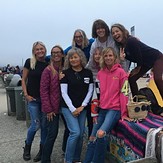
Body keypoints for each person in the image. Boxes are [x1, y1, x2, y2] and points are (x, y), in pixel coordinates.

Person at [84, 47, 131, 163]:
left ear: (115, 57)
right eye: (106, 56)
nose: (108, 58)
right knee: (92, 137)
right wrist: (94, 113)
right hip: (102, 109)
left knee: (101, 134)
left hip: (114, 109)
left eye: (110, 55)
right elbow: (97, 95)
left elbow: (125, 93)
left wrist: (124, 113)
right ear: (103, 58)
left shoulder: (121, 73)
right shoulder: (100, 73)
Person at [62, 29, 94, 155]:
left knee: (80, 135)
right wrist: (72, 108)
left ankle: (76, 158)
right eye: (71, 58)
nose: (74, 60)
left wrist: (82, 106)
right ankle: (68, 159)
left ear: (80, 58)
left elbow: (90, 90)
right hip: (68, 108)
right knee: (75, 132)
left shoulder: (87, 73)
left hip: (82, 108)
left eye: (76, 57)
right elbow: (63, 93)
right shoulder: (64, 73)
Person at [111, 23, 163, 100]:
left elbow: (139, 57)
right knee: (131, 79)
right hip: (145, 63)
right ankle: (137, 102)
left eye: (117, 31)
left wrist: (137, 68)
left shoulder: (131, 40)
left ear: (122, 31)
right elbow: (128, 62)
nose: (115, 34)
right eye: (113, 33)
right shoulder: (121, 47)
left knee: (157, 79)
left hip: (156, 57)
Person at [22, 41, 48, 162]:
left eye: (41, 49)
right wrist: (26, 94)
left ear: (45, 50)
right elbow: (23, 79)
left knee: (44, 126)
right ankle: (27, 146)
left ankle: (42, 151)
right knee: (35, 125)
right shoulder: (30, 62)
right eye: (37, 49)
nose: (39, 51)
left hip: (44, 100)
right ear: (34, 51)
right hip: (33, 99)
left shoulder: (48, 63)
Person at [40, 45, 64, 163]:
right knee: (52, 134)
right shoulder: (48, 70)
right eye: (53, 52)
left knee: (71, 130)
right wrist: (48, 109)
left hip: (65, 106)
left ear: (62, 54)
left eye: (58, 52)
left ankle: (65, 150)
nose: (56, 54)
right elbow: (43, 91)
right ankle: (45, 159)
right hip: (52, 109)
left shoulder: (65, 68)